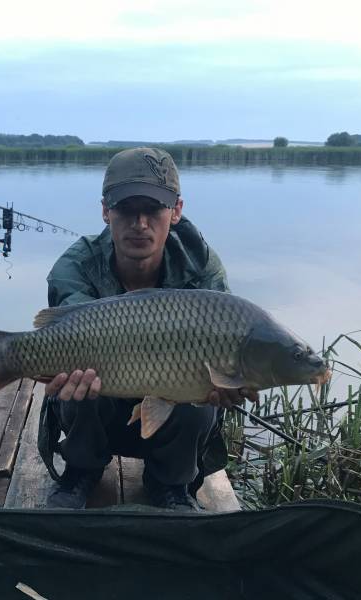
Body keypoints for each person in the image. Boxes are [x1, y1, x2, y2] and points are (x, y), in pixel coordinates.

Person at [38, 147, 257, 511]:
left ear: (176, 211)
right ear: (106, 211)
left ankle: (169, 483)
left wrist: (226, 385)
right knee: (78, 379)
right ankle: (81, 471)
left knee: (200, 394)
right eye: (126, 210)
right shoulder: (76, 264)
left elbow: (226, 344)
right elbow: (63, 333)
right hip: (101, 403)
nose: (139, 223)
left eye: (153, 209)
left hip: (169, 410)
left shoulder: (201, 267)